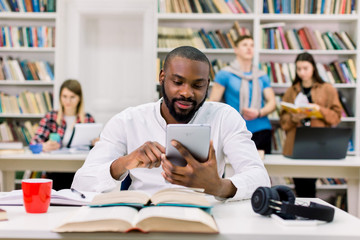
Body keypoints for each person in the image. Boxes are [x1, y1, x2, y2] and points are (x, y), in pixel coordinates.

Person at [72, 46, 270, 199]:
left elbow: (260, 178)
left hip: (202, 218)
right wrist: (124, 162)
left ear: (207, 85)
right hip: (144, 217)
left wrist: (219, 186)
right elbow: (81, 183)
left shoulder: (225, 117)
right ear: (162, 77)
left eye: (198, 85)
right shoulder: (128, 120)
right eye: (177, 82)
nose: (186, 92)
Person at [280, 52, 342, 197]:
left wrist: (320, 109)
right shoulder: (291, 90)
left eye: (305, 68)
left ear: (313, 68)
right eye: (299, 69)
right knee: (299, 185)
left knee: (310, 186)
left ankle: (309, 215)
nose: (302, 73)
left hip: (317, 143)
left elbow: (336, 118)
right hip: (295, 144)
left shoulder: (327, 89)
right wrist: (294, 118)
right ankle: (301, 214)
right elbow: (284, 124)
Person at [209, 35, 276, 154]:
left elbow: (272, 102)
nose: (249, 48)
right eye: (245, 45)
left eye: (252, 45)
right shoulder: (224, 74)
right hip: (234, 130)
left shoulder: (261, 75)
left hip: (261, 129)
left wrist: (259, 112)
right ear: (236, 50)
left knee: (262, 170)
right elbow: (214, 102)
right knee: (233, 169)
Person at [30, 79, 96, 190]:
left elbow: (97, 149)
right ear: (60, 97)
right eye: (64, 96)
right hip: (56, 169)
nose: (68, 101)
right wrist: (43, 146)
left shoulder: (88, 119)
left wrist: (96, 144)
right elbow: (33, 144)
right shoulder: (51, 117)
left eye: (72, 97)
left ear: (79, 98)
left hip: (79, 170)